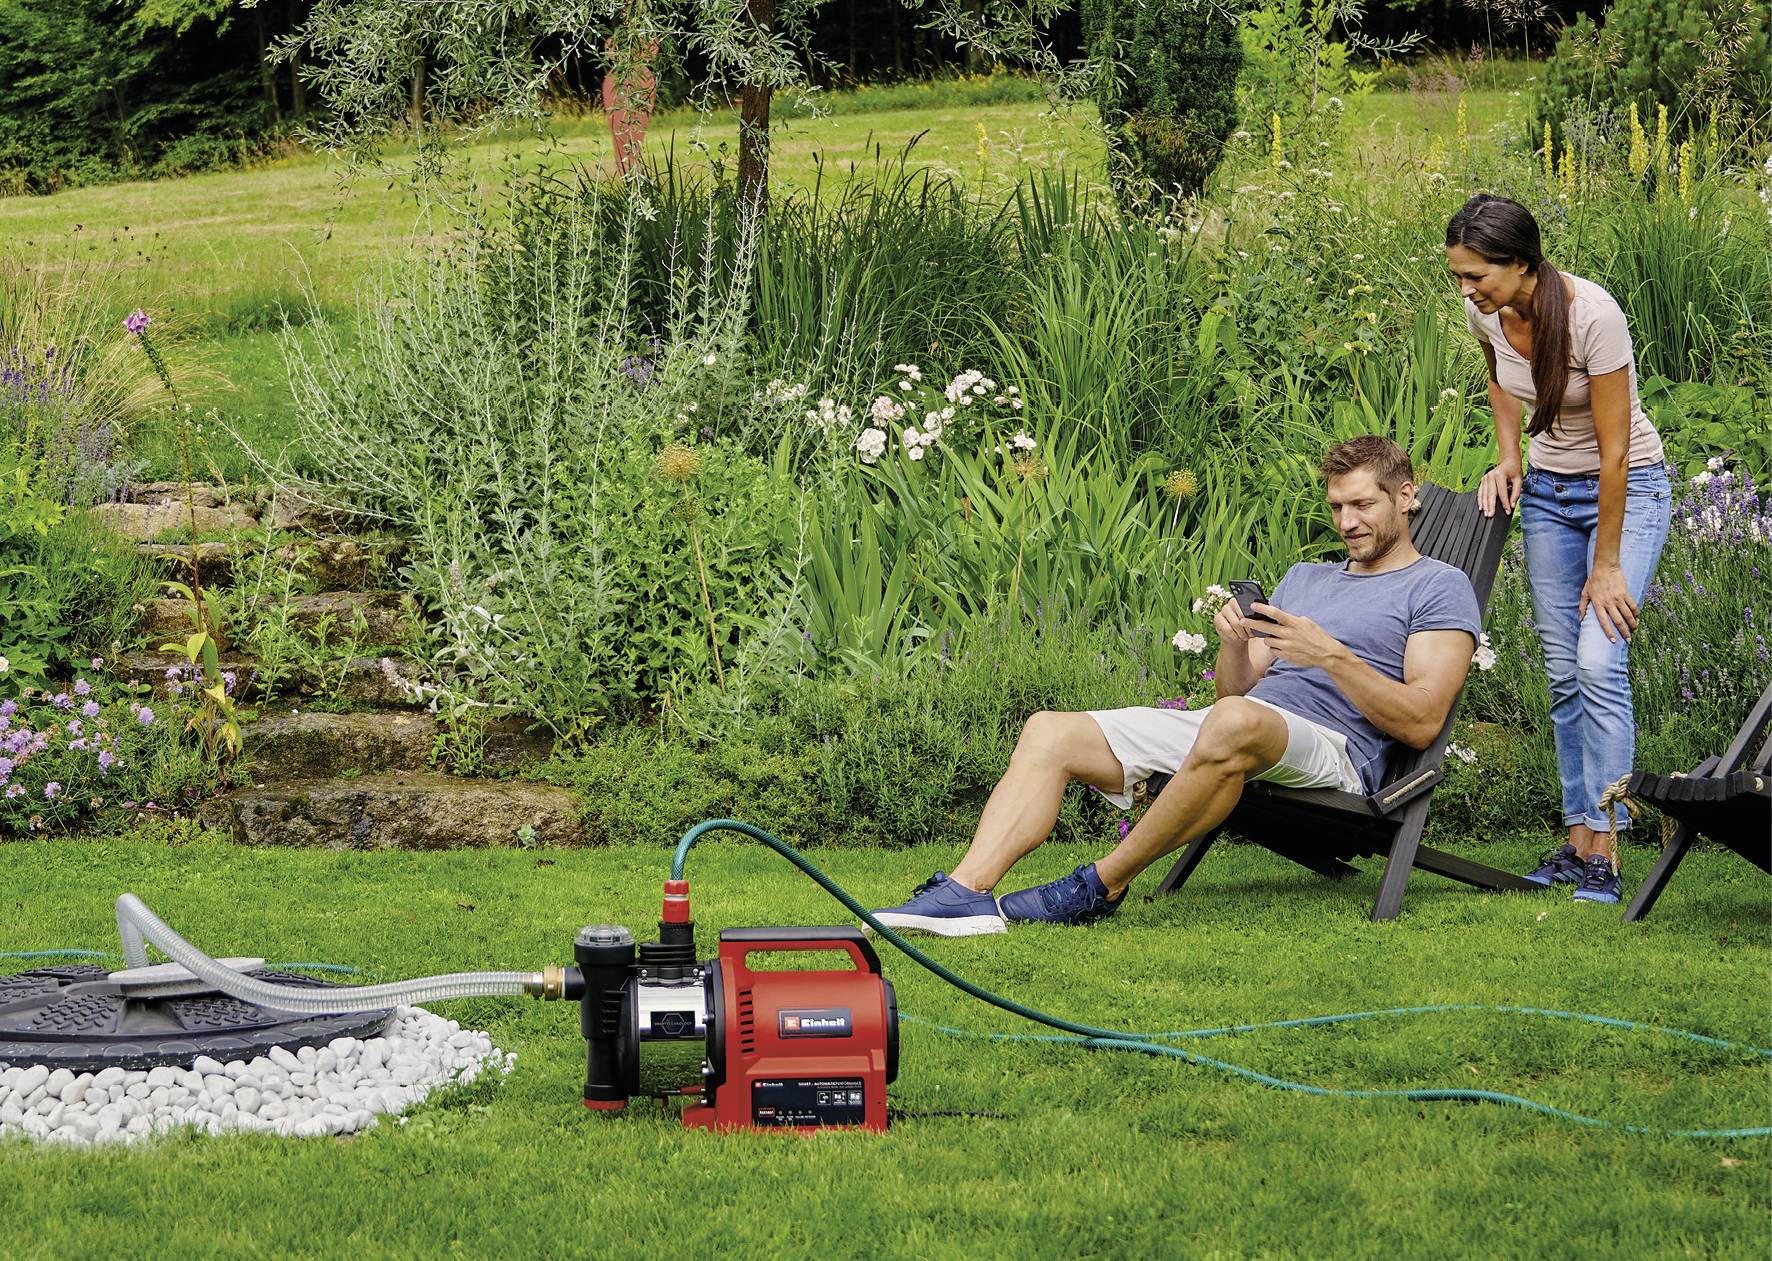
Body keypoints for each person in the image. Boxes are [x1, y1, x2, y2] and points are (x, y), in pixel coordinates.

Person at [872, 436, 1484, 935]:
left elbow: (1424, 719)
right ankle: (963, 894)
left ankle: (1099, 885)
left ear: (1405, 497)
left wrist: (1331, 655)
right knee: (1050, 730)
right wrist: (1234, 644)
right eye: (1336, 508)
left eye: (1362, 506)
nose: (1346, 522)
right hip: (1253, 726)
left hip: (1339, 753)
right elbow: (1234, 696)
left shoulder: (1438, 586)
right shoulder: (1306, 577)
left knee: (1233, 725)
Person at [1446, 193, 1671, 905]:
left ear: (1521, 264)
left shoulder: (1593, 317)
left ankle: (1608, 846)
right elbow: (1498, 377)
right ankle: (1578, 842)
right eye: (1458, 275)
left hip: (1626, 491)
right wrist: (1509, 455)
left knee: (1599, 660)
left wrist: (1607, 565)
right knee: (1562, 672)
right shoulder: (1485, 309)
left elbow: (1614, 454)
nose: (1466, 288)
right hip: (1545, 493)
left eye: (1476, 274)